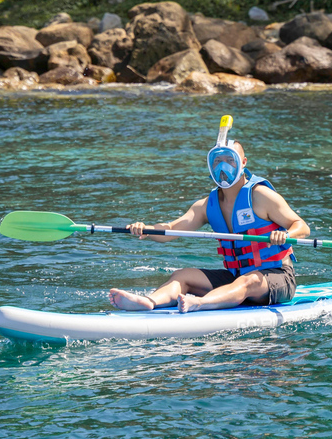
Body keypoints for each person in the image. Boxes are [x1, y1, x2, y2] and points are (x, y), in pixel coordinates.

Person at [108, 124, 309, 314]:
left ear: (243, 163)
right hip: (236, 278)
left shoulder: (261, 196)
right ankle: (149, 302)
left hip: (277, 276)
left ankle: (200, 303)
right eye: (217, 161)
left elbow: (301, 226)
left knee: (249, 281)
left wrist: (285, 234)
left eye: (230, 160)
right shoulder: (207, 206)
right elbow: (170, 230)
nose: (224, 167)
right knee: (182, 275)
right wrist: (146, 230)